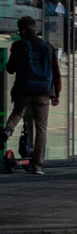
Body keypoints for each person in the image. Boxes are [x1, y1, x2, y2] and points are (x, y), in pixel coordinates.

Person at [4, 15, 60, 175]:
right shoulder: (47, 46)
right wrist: (56, 93)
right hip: (43, 92)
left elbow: (10, 68)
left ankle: (7, 131)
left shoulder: (18, 45)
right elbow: (55, 71)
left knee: (17, 113)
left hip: (24, 90)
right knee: (41, 127)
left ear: (23, 30)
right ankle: (38, 166)